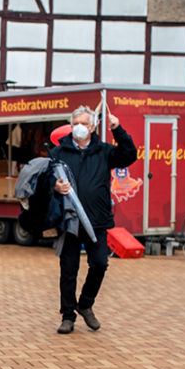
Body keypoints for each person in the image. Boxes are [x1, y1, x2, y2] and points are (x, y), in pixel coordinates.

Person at [51, 106, 136, 334]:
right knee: (68, 269)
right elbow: (46, 182)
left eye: (84, 123)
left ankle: (85, 304)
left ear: (93, 126)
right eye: (76, 123)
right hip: (70, 220)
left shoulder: (104, 151)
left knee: (99, 264)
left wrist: (118, 130)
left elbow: (130, 155)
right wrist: (55, 187)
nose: (80, 127)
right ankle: (67, 315)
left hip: (97, 220)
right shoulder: (60, 152)